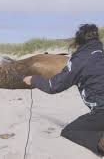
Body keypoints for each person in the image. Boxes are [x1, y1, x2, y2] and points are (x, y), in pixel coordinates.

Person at [23, 24, 104, 156]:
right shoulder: (100, 53)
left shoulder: (79, 59)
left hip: (101, 112)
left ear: (79, 41)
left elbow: (53, 86)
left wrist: (33, 80)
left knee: (69, 131)